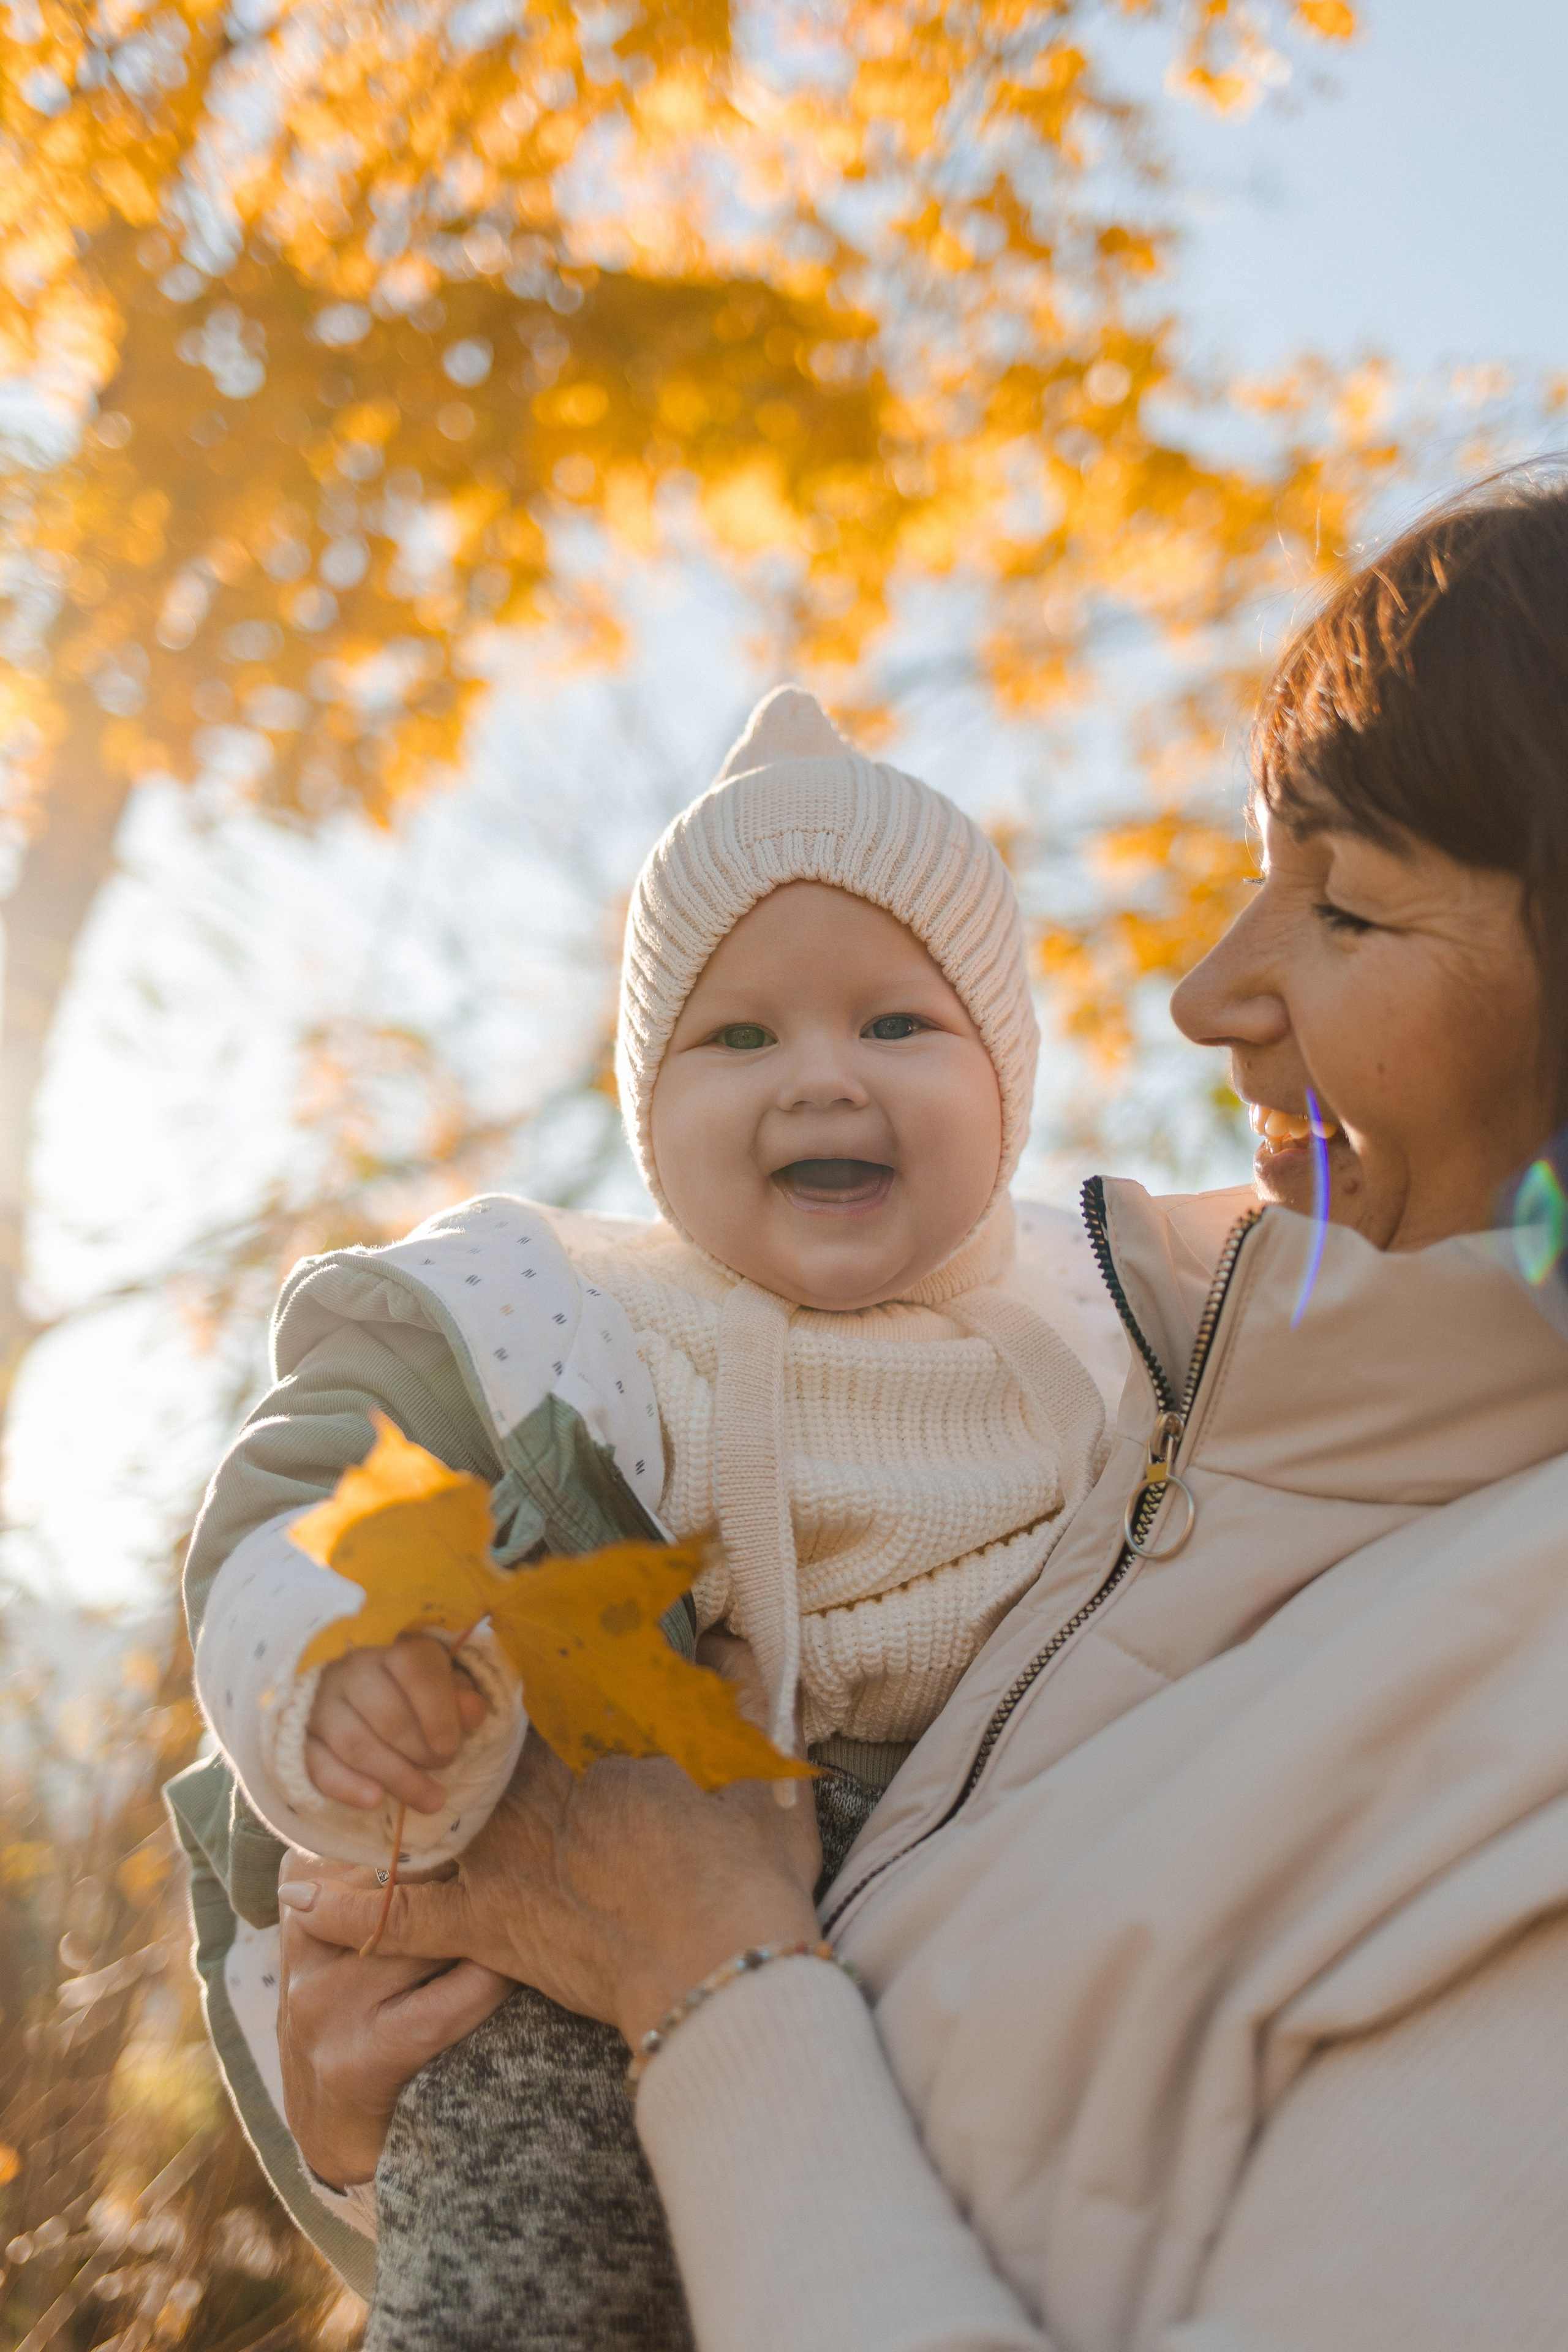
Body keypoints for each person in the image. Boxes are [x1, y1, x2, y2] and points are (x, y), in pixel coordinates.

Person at [276, 473, 1568, 2352]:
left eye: (1348, 904)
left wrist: (691, 1969)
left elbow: (737, 1993)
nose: (1210, 993)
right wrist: (407, 2122)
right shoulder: (1170, 1416)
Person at [166, 685, 1128, 2333]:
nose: (820, 1079)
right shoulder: (576, 1327)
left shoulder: (1112, 1339)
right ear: (647, 1118)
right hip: (583, 1916)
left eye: (898, 1025)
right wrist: (341, 1651)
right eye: (738, 1037)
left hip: (979, 1930)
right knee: (527, 2244)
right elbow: (322, 1482)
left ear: (1010, 1081)